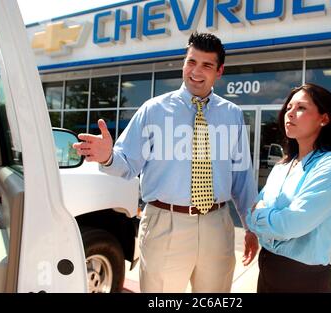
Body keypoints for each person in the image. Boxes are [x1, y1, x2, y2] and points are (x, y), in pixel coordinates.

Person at [73, 32, 258, 292]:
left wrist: (251, 226)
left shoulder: (233, 115)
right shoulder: (154, 110)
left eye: (206, 65)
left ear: (219, 71)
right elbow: (127, 165)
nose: (196, 71)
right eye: (191, 62)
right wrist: (107, 156)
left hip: (217, 224)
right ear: (184, 63)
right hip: (165, 223)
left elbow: (242, 177)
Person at [246, 83, 331, 293]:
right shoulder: (283, 165)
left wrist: (258, 216)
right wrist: (266, 217)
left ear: (324, 118)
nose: (290, 114)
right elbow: (258, 212)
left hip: (303, 278)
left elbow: (291, 224)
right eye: (288, 108)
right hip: (268, 266)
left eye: (301, 108)